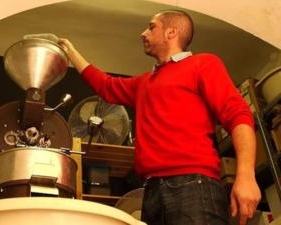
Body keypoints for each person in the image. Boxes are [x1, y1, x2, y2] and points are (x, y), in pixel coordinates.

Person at [58, 9, 261, 225]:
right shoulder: (144, 83)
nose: (143, 33)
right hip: (151, 193)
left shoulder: (203, 64)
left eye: (151, 26)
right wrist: (70, 51)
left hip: (193, 186)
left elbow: (238, 115)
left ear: (171, 32)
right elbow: (106, 86)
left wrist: (246, 176)